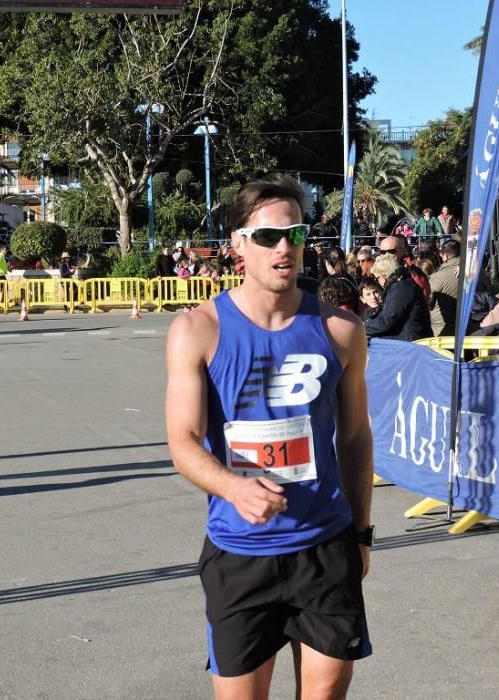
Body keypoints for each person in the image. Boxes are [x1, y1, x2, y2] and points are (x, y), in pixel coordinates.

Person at [165, 174, 374, 699]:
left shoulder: (341, 331)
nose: (285, 248)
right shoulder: (199, 329)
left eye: (296, 235)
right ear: (238, 243)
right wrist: (234, 487)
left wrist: (362, 533)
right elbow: (183, 440)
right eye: (268, 237)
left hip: (324, 549)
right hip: (240, 553)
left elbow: (354, 438)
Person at [364, 254, 431, 341]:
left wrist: (362, 327)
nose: (378, 282)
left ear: (383, 278)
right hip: (408, 338)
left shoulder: (401, 288)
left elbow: (386, 321)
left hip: (410, 342)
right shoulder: (403, 285)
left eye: (377, 279)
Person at [428, 239, 462, 336]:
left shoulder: (438, 276)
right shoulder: (476, 271)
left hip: (443, 330)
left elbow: (426, 300)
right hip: (473, 328)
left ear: (445, 255)